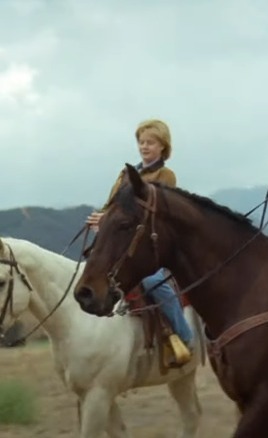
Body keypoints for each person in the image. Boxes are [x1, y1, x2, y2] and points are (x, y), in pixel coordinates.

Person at [86, 119, 194, 366]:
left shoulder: (165, 175)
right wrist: (100, 221)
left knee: (154, 281)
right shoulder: (125, 174)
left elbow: (157, 212)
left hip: (151, 246)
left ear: (162, 146)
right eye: (141, 142)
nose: (144, 147)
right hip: (123, 242)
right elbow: (111, 206)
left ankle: (185, 336)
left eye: (151, 142)